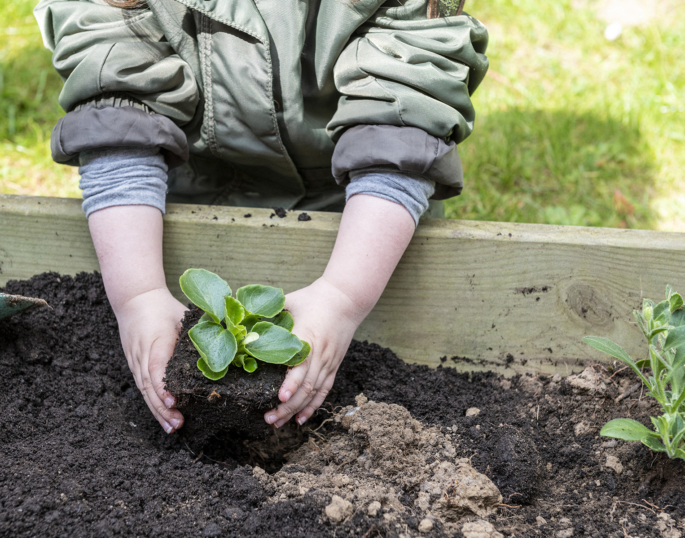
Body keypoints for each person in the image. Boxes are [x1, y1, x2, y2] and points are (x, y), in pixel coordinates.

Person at [34, 0, 489, 434]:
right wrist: (137, 296)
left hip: (367, 214)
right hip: (173, 200)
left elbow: (405, 104)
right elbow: (115, 102)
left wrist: (343, 297)